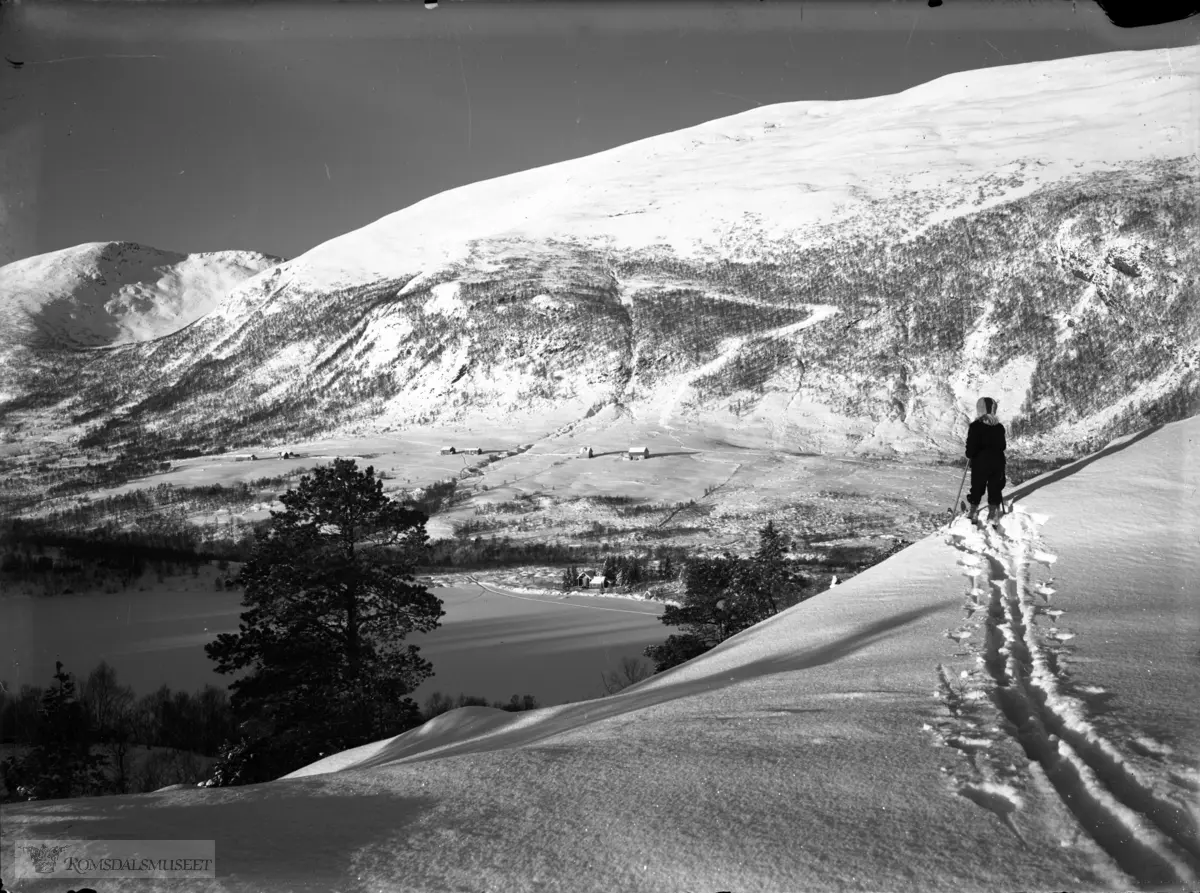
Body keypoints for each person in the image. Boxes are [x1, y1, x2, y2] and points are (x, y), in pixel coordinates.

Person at [965, 396, 1006, 525]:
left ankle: (973, 511)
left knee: (977, 487)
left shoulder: (975, 426)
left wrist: (970, 454)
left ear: (980, 410)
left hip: (980, 464)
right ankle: (992, 514)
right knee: (995, 487)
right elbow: (1002, 446)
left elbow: (971, 448)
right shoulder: (999, 427)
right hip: (997, 463)